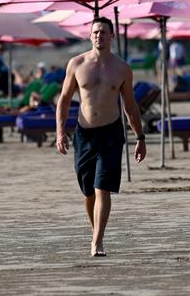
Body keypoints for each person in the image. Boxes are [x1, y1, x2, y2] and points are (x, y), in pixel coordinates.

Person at [55, 17, 146, 257]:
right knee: (88, 192)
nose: (99, 36)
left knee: (102, 188)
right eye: (95, 32)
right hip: (84, 134)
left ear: (112, 36)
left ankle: (98, 241)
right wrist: (60, 132)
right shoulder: (76, 63)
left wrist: (140, 137)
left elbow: (130, 105)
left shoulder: (122, 68)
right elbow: (63, 100)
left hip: (111, 133)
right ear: (90, 35)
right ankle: (96, 230)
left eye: (104, 32)